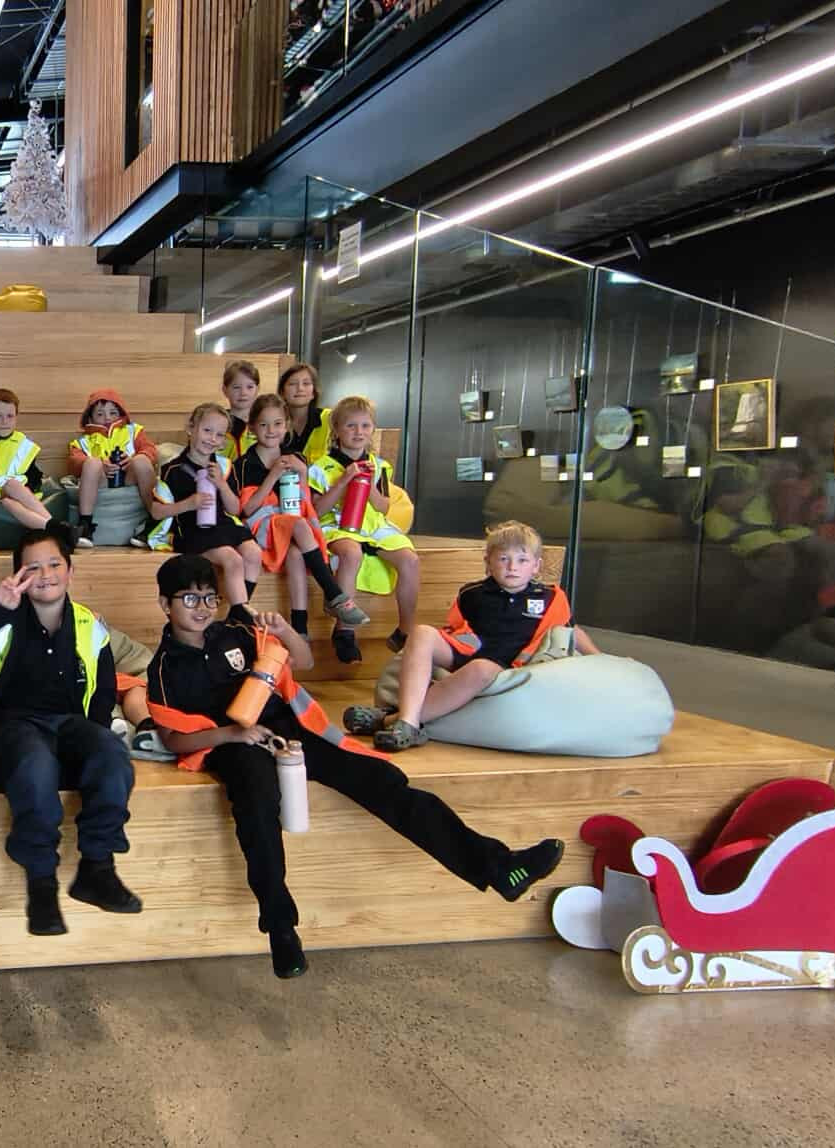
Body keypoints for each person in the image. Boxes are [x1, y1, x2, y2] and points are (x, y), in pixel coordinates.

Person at [143, 554, 567, 978]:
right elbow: (175, 737)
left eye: (210, 598)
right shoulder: (164, 666)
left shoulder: (237, 632)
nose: (202, 608)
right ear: (165, 604)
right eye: (189, 599)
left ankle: (499, 867)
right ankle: (280, 928)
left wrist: (285, 632)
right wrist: (231, 735)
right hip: (231, 745)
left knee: (383, 782)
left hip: (289, 727)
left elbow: (303, 662)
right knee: (256, 803)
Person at [0, 521, 141, 935]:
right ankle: (41, 884)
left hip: (68, 727)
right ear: (18, 576)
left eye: (55, 564)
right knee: (37, 764)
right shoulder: (5, 617)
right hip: (11, 729)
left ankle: (97, 867)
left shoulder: (88, 624)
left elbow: (103, 693)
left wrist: (91, 750)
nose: (46, 575)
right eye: (33, 568)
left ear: (70, 571)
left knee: (112, 754)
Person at [346, 521, 601, 751]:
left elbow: (570, 631)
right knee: (422, 632)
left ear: (536, 566)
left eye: (522, 560)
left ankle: (390, 719)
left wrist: (599, 659)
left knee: (480, 668)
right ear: (488, 562)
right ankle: (409, 723)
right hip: (471, 654)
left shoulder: (550, 597)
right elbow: (456, 631)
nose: (512, 567)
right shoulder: (473, 593)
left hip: (511, 667)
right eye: (503, 558)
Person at [236, 392, 368, 637]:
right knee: (298, 525)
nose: (271, 430)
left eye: (277, 423)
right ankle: (334, 593)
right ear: (252, 427)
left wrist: (303, 475)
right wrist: (273, 475)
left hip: (292, 522)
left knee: (297, 552)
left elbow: (304, 501)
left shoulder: (295, 457)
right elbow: (246, 509)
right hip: (261, 525)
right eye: (263, 425)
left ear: (286, 425)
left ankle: (300, 627)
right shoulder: (244, 464)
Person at [308, 395, 419, 664]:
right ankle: (344, 630)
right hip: (336, 525)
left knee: (410, 559)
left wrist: (367, 486)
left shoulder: (378, 466)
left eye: (365, 426)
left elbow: (383, 507)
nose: (359, 432)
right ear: (337, 430)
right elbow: (316, 510)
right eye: (351, 426)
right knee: (351, 553)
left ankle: (405, 630)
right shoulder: (320, 467)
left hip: (373, 525)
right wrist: (344, 481)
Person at [146, 403, 261, 611]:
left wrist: (221, 484)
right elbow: (156, 511)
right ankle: (243, 615)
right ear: (191, 428)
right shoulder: (173, 469)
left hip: (223, 525)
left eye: (219, 435)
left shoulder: (224, 466)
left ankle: (238, 614)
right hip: (193, 531)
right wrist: (189, 504)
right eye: (207, 430)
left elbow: (235, 509)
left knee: (253, 553)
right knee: (233, 560)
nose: (212, 439)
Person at [66, 388, 158, 549]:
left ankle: (154, 520)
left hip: (129, 478)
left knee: (142, 461)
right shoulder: (82, 442)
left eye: (113, 413)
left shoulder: (133, 431)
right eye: (100, 414)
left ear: (121, 413)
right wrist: (101, 464)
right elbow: (74, 463)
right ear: (90, 418)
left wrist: (133, 459)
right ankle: (85, 525)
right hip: (102, 482)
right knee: (92, 463)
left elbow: (150, 449)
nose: (107, 418)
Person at [0, 387, 53, 529]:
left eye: (10, 416)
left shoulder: (22, 444)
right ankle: (58, 529)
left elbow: (34, 476)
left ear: (16, 417)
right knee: (9, 489)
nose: (4, 421)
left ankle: (54, 527)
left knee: (11, 495)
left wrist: (22, 489)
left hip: (15, 496)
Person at [278, 361, 332, 461]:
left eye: (306, 383)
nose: (300, 388)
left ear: (314, 392)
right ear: (282, 392)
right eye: (292, 384)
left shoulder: (330, 419)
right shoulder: (273, 422)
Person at [216, 360, 261, 464]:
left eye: (250, 387)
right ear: (225, 390)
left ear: (258, 389)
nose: (243, 393)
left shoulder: (264, 423)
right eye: (236, 387)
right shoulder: (217, 424)